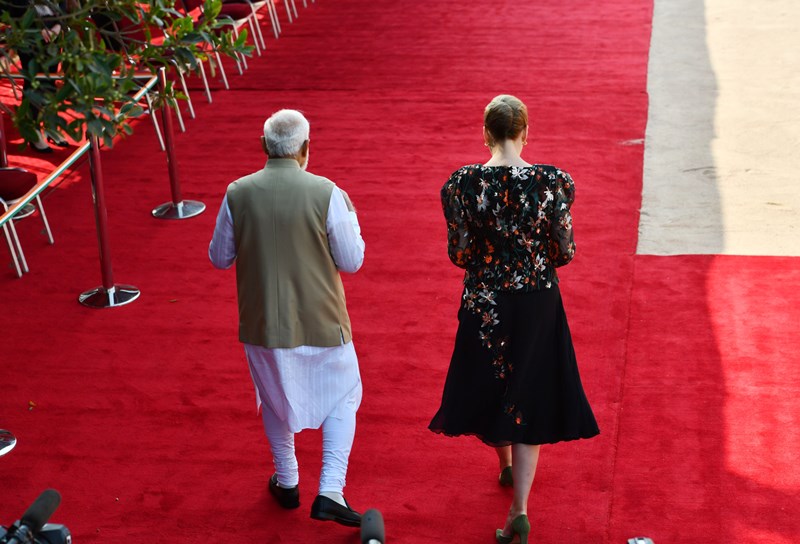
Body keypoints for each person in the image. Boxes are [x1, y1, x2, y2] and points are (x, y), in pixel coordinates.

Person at [428, 95, 599, 544]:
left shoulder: (461, 184)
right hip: (537, 300)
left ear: (486, 133)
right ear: (525, 133)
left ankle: (504, 465)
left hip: (485, 299)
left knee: (493, 380)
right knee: (531, 391)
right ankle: (519, 509)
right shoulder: (553, 181)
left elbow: (459, 253)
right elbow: (565, 251)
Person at [209, 109, 366, 528]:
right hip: (322, 319)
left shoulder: (237, 192)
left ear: (264, 146)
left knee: (274, 393)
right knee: (345, 394)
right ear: (306, 148)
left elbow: (219, 257)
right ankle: (331, 489)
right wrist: (351, 218)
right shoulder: (328, 192)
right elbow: (352, 261)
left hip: (261, 322)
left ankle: (287, 479)